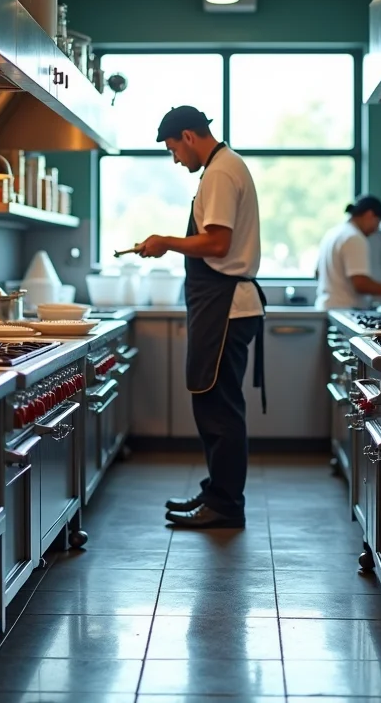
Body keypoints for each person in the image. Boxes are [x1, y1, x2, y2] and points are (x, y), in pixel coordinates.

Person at [136, 105, 265, 530]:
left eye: (173, 148)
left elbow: (218, 244)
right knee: (213, 404)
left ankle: (225, 504)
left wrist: (165, 242)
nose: (175, 159)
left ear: (189, 136)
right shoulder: (222, 168)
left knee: (220, 409)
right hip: (223, 306)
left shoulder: (221, 173)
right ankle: (217, 493)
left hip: (227, 308)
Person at [314, 195, 381, 310]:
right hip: (344, 308)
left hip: (326, 307)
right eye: (377, 222)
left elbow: (317, 273)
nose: (376, 229)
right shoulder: (354, 237)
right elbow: (361, 284)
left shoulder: (332, 233)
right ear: (369, 214)